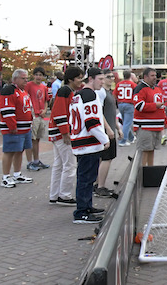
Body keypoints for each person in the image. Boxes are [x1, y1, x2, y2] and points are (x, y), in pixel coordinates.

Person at [70, 68, 110, 224]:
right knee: (86, 177)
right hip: (87, 142)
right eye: (100, 79)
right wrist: (104, 139)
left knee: (86, 176)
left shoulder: (79, 95)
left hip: (81, 139)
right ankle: (81, 212)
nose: (102, 81)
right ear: (91, 79)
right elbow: (92, 121)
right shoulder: (89, 94)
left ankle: (86, 206)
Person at [48, 66, 84, 206]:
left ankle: (55, 194)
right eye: (79, 78)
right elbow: (60, 113)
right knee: (69, 164)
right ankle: (64, 195)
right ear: (71, 79)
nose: (80, 81)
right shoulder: (66, 91)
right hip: (61, 132)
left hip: (56, 131)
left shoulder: (67, 91)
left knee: (59, 164)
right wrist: (65, 133)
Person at [0, 69, 34, 188]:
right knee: (9, 151)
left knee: (20, 150)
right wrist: (12, 126)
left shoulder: (23, 91)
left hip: (25, 128)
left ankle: (17, 174)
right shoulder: (9, 90)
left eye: (26, 78)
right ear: (15, 79)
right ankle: (5, 177)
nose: (26, 80)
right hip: (14, 129)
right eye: (23, 78)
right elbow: (7, 109)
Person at [95, 70, 121, 198]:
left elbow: (111, 113)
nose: (111, 79)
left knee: (105, 158)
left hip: (109, 129)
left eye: (112, 76)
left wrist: (118, 128)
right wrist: (108, 129)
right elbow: (99, 113)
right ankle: (100, 186)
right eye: (108, 77)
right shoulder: (101, 92)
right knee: (107, 158)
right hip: (105, 131)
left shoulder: (108, 92)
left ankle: (98, 184)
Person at [133, 67, 165, 166]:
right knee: (144, 150)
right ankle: (142, 174)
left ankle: (150, 171)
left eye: (155, 75)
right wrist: (155, 105)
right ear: (145, 77)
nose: (155, 78)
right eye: (152, 76)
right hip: (145, 127)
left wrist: (164, 121)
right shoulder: (140, 88)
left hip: (156, 126)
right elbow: (139, 106)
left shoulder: (157, 88)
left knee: (152, 150)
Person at [25, 67, 51, 171]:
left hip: (41, 116)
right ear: (33, 75)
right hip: (32, 115)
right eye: (37, 75)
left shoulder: (43, 87)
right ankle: (29, 161)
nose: (38, 77)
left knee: (37, 139)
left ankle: (36, 160)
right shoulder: (29, 85)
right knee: (31, 139)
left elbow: (46, 100)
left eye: (40, 75)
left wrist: (45, 110)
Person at [114, 70, 136, 145]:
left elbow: (115, 94)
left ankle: (131, 137)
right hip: (129, 104)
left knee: (125, 122)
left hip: (120, 104)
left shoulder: (119, 84)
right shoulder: (133, 84)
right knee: (127, 123)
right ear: (130, 76)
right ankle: (123, 140)